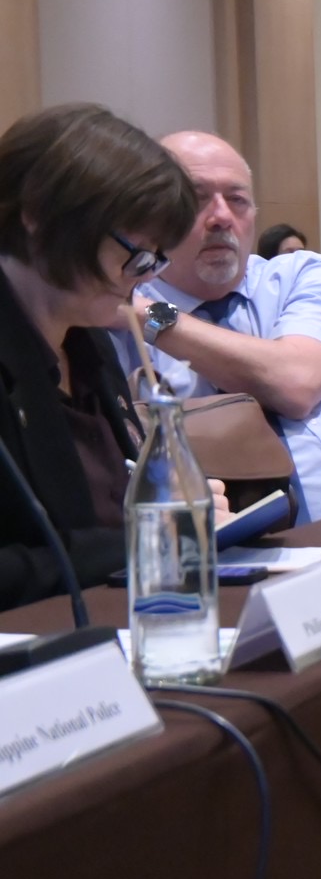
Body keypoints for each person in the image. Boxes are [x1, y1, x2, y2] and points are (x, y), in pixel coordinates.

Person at [125, 131, 321, 522]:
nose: (222, 217)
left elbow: (296, 384)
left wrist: (152, 317)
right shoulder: (111, 320)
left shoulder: (301, 274)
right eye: (195, 198)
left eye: (237, 199)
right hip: (248, 545)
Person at [0, 104, 204, 607]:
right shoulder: (99, 318)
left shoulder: (88, 340)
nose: (146, 273)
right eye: (135, 252)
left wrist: (174, 512)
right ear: (39, 215)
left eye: (157, 257)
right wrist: (148, 540)